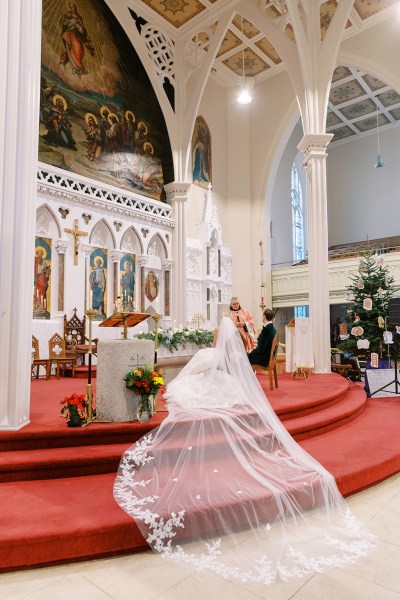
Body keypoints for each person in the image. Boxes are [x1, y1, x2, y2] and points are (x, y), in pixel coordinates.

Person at [114, 317, 374, 586]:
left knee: (189, 384)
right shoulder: (236, 349)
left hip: (215, 375)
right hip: (227, 381)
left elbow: (195, 368)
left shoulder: (214, 346)